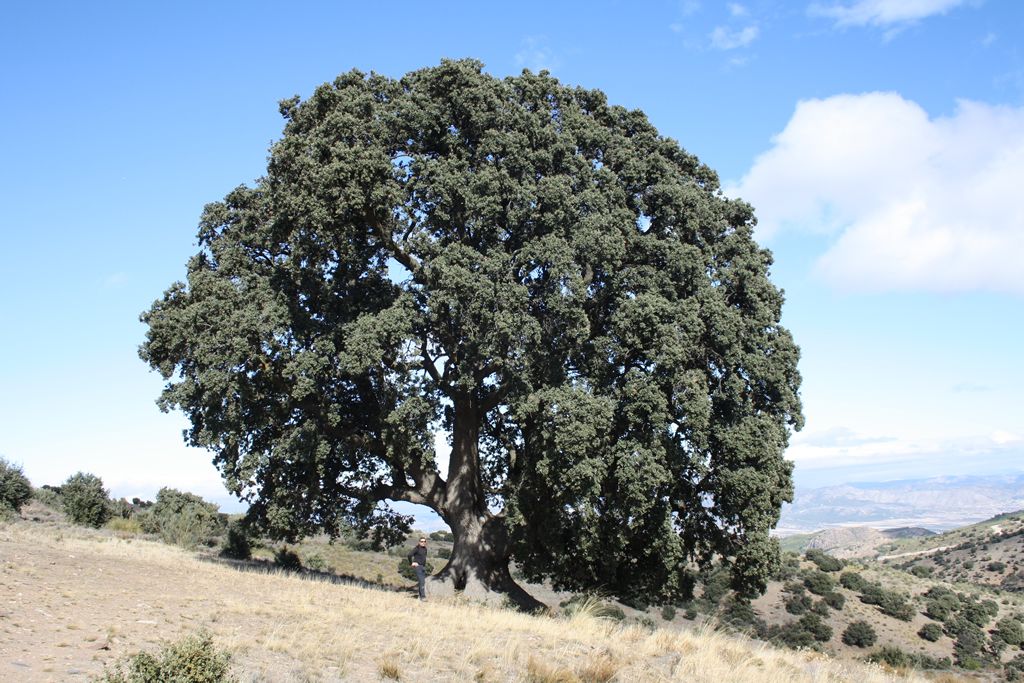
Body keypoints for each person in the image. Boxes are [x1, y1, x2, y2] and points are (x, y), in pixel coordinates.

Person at [408, 536, 428, 600]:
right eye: (421, 541)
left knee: (422, 582)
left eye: (424, 541)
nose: (423, 542)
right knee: (422, 581)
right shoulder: (417, 548)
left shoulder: (425, 549)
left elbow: (423, 558)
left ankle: (420, 596)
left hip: (423, 567)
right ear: (419, 542)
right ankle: (423, 597)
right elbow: (409, 555)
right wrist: (411, 563)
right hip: (418, 567)